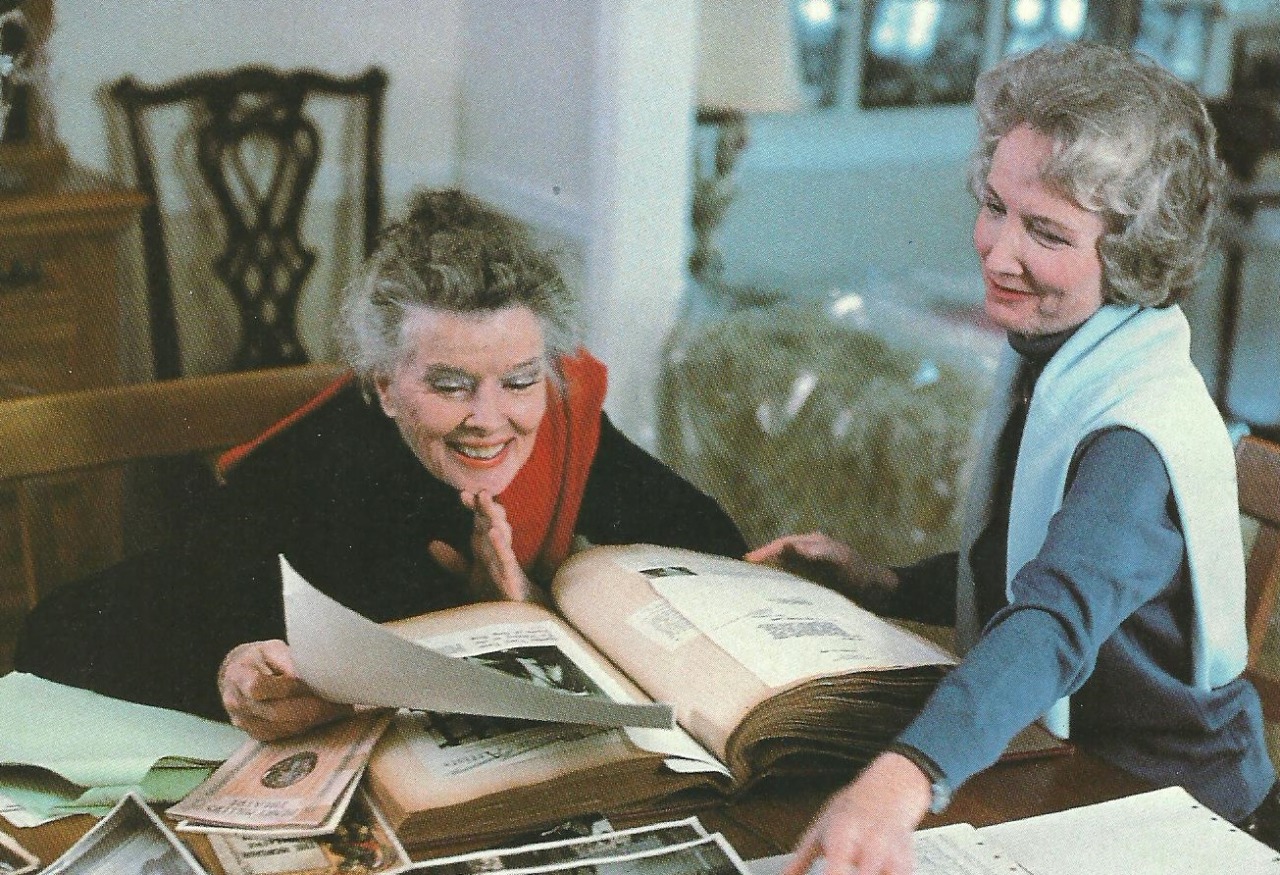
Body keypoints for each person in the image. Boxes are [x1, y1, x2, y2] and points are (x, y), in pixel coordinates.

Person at [748, 42, 1280, 874]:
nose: (997, 252)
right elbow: (1027, 561)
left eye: (1046, 231)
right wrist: (888, 583)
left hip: (1174, 806)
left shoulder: (1137, 431)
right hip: (1066, 759)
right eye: (995, 206)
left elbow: (1055, 619)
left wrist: (903, 778)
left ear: (1133, 256)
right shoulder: (1060, 354)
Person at [17, 189, 746, 741]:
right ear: (383, 383)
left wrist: (528, 603)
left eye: (518, 379)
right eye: (449, 385)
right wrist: (236, 670)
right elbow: (170, 626)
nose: (490, 419)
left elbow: (711, 545)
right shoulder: (307, 469)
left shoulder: (559, 409)